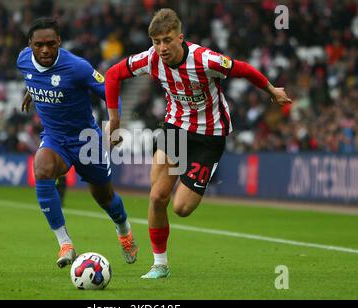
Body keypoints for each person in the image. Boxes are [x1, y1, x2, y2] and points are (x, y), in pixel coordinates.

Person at [104, 8, 291, 279]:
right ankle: (160, 264)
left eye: (167, 40)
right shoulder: (151, 59)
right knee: (157, 197)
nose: (162, 47)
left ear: (181, 37)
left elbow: (243, 69)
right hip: (175, 129)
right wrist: (114, 119)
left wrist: (271, 90)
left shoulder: (205, 60)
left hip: (209, 136)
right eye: (156, 42)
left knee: (181, 208)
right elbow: (112, 75)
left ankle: (192, 178)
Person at [17, 17, 138, 268]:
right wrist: (31, 90)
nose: (45, 50)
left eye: (51, 43)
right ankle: (65, 243)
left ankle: (123, 229)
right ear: (30, 45)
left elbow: (109, 90)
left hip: (86, 140)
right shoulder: (23, 60)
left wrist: (114, 121)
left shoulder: (78, 67)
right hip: (54, 138)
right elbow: (36, 76)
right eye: (39, 45)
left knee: (104, 198)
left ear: (59, 41)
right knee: (41, 168)